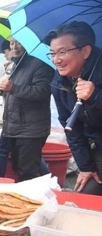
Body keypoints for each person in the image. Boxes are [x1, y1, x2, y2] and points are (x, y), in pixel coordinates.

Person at [46, 21, 102, 195]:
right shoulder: (60, 82)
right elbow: (70, 127)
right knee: (85, 196)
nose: (57, 60)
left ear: (85, 51)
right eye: (53, 53)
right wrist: (85, 167)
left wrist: (95, 96)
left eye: (62, 52)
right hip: (97, 148)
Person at [0, 40, 50, 178]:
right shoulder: (16, 65)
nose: (14, 47)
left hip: (30, 129)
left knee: (27, 172)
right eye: (12, 43)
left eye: (19, 43)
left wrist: (13, 88)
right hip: (14, 127)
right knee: (18, 167)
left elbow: (42, 92)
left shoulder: (39, 64)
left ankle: (34, 196)